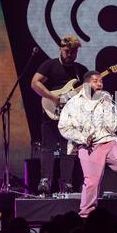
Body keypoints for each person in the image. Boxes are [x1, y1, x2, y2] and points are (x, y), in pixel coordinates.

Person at [58, 71, 117, 218]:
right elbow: (64, 127)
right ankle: (86, 215)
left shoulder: (106, 100)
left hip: (109, 142)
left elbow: (114, 125)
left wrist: (107, 105)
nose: (100, 84)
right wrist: (82, 138)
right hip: (88, 147)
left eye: (101, 81)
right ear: (86, 84)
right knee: (92, 182)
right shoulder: (73, 104)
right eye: (96, 81)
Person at [31, 35, 88, 194]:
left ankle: (66, 183)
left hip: (70, 117)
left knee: (68, 150)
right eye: (67, 51)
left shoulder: (81, 70)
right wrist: (52, 98)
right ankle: (45, 181)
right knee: (47, 149)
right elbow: (35, 83)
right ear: (61, 49)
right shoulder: (49, 65)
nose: (70, 54)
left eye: (73, 52)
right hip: (51, 113)